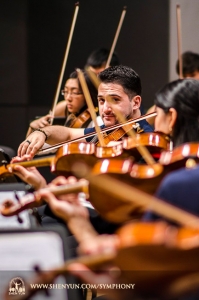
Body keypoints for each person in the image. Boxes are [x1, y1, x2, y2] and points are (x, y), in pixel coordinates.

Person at [17, 65, 153, 158]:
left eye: (114, 100)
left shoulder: (148, 141)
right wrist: (43, 133)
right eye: (101, 100)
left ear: (135, 103)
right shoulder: (108, 131)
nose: (105, 109)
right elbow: (68, 134)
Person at [26, 69, 102, 138]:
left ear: (89, 95)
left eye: (74, 92)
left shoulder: (99, 119)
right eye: (65, 91)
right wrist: (33, 127)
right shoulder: (62, 107)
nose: (68, 98)